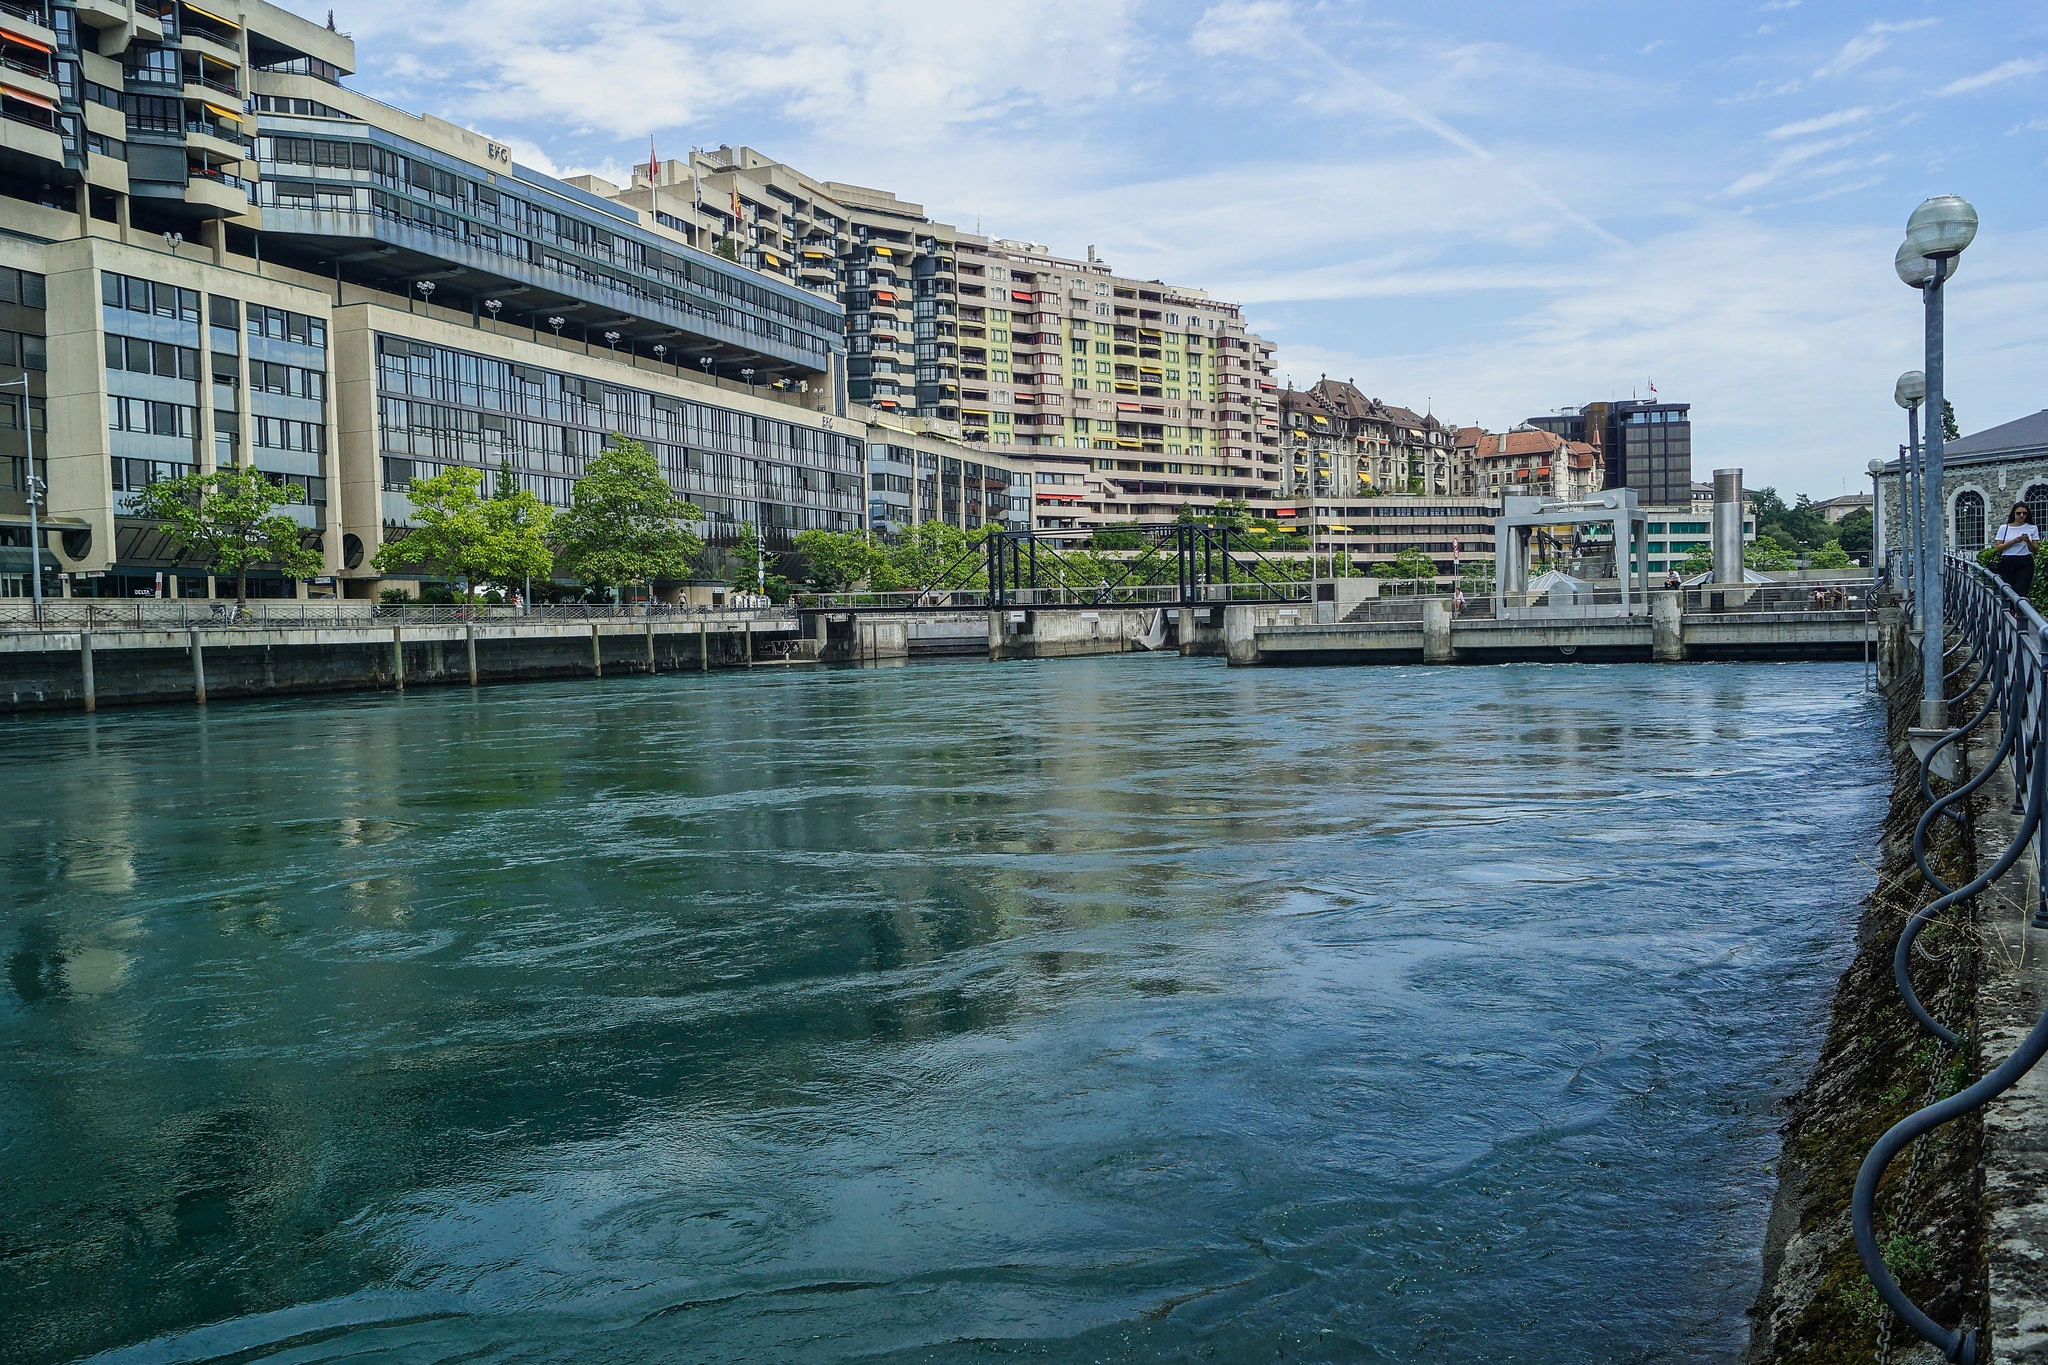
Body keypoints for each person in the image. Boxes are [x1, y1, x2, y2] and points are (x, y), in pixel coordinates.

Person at [1993, 501, 2040, 601]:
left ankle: (2020, 614)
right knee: (2008, 589)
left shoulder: (2032, 528)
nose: (2021, 515)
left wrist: (2028, 541)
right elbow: (1998, 547)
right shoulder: (2004, 528)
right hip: (2008, 560)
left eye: (2024, 513)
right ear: (2014, 514)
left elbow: (2035, 550)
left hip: (2025, 561)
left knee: (2021, 590)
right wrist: (2014, 541)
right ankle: (2010, 612)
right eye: (2018, 513)